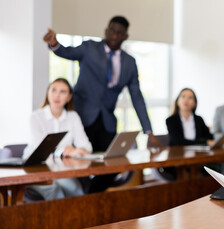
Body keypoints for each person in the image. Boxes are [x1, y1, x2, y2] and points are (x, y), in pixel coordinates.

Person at [43, 16, 163, 192]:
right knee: (78, 164)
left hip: (107, 121)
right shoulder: (89, 48)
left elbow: (137, 97)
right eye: (112, 31)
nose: (115, 35)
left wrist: (149, 132)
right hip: (82, 120)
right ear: (106, 31)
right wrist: (55, 44)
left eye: (119, 33)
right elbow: (66, 52)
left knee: (114, 164)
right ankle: (84, 199)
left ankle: (90, 197)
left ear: (125, 36)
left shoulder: (129, 63)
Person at [24, 78, 93, 201]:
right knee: (54, 190)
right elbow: (43, 151)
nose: (57, 95)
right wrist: (64, 152)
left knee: (76, 191)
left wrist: (77, 150)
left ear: (69, 97)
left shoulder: (73, 117)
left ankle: (79, 220)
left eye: (62, 92)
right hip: (36, 170)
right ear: (48, 93)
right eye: (53, 90)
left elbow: (86, 146)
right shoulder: (35, 117)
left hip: (62, 170)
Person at [154, 88, 213, 181]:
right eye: (183, 97)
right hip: (176, 161)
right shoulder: (171, 121)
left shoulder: (199, 120)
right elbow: (178, 141)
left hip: (198, 159)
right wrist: (204, 142)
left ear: (194, 103)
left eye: (190, 98)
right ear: (178, 101)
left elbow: (209, 136)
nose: (186, 100)